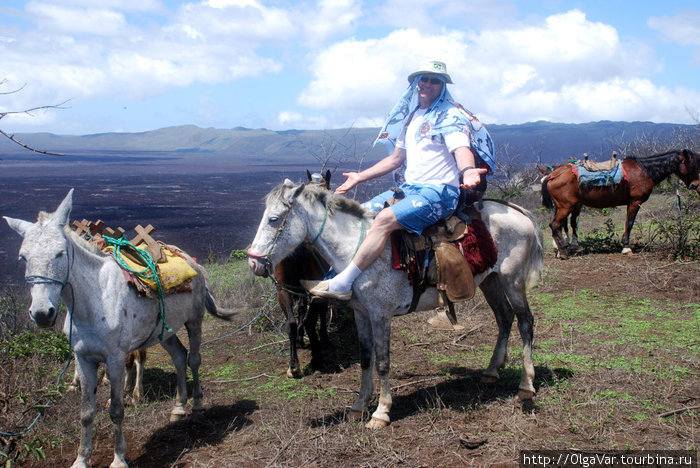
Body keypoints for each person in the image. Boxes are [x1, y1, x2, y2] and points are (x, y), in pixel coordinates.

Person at [301, 60, 495, 306]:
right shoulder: (413, 117)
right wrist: (360, 176)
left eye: (435, 80)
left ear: (443, 85)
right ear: (416, 83)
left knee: (383, 220)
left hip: (439, 192)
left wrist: (467, 171)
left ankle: (342, 284)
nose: (427, 84)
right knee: (361, 214)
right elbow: (396, 158)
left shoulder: (449, 115)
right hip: (411, 190)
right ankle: (337, 276)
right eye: (423, 79)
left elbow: (461, 148)